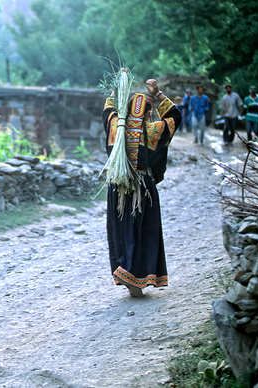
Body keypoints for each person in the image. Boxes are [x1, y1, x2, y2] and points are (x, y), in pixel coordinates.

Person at [102, 74, 182, 297]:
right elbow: (175, 116)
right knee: (143, 230)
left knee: (122, 229)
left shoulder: (116, 128)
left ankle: (125, 271)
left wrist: (114, 94)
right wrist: (158, 94)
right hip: (143, 187)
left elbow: (107, 111)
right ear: (148, 112)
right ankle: (137, 275)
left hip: (118, 186)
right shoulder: (153, 130)